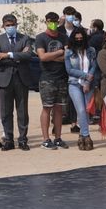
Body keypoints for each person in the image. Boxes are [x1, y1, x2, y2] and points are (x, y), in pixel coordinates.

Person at [0, 14, 34, 150]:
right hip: (5, 79)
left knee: (22, 111)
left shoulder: (25, 38)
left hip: (21, 78)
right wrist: (18, 54)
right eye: (7, 25)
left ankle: (22, 140)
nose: (10, 27)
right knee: (6, 112)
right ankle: (8, 140)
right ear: (3, 26)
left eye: (12, 25)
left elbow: (28, 55)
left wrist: (8, 54)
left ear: (16, 24)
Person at [35, 11, 69, 149]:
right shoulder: (40, 38)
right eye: (50, 20)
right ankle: (46, 139)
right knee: (47, 108)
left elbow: (68, 55)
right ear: (46, 21)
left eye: (55, 20)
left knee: (59, 108)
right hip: (47, 78)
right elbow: (42, 57)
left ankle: (58, 138)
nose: (53, 23)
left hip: (61, 77)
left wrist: (52, 56)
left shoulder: (64, 37)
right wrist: (59, 52)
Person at [65, 25, 99, 150]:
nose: (79, 40)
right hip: (74, 83)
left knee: (87, 111)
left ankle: (81, 135)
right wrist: (85, 76)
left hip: (88, 84)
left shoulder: (91, 50)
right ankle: (86, 135)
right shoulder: (68, 52)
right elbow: (69, 70)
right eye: (77, 38)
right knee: (80, 110)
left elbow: (94, 66)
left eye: (81, 38)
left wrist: (88, 80)